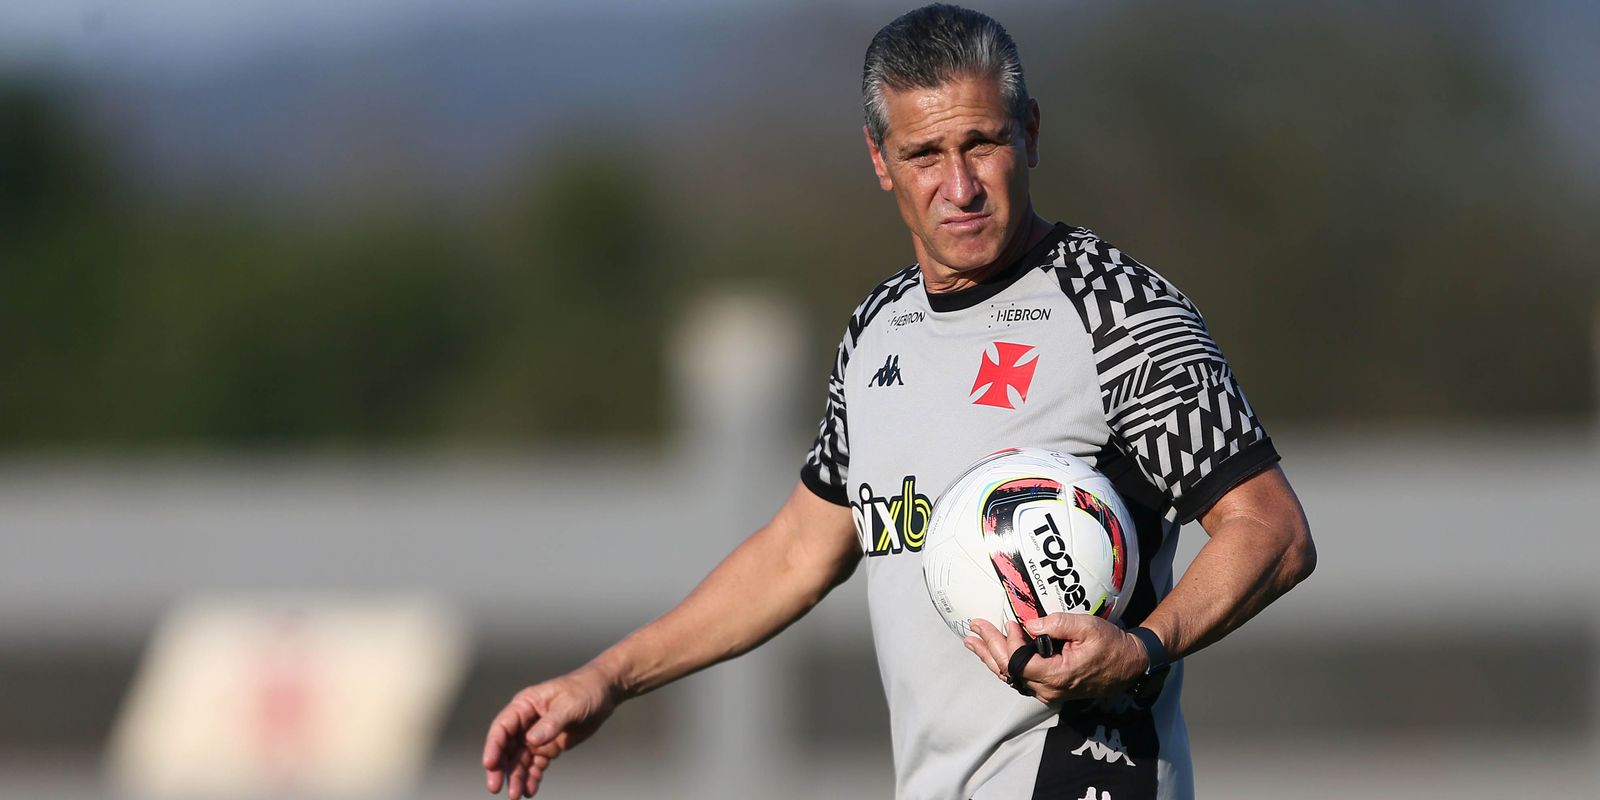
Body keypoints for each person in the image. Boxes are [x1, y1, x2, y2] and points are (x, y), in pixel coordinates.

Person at [482, 5, 1315, 799]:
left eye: (982, 143)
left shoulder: (1121, 316)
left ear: (1029, 133)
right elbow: (797, 552)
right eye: (924, 154)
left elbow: (1271, 530)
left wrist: (1140, 648)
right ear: (880, 160)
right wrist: (607, 678)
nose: (960, 186)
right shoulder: (878, 330)